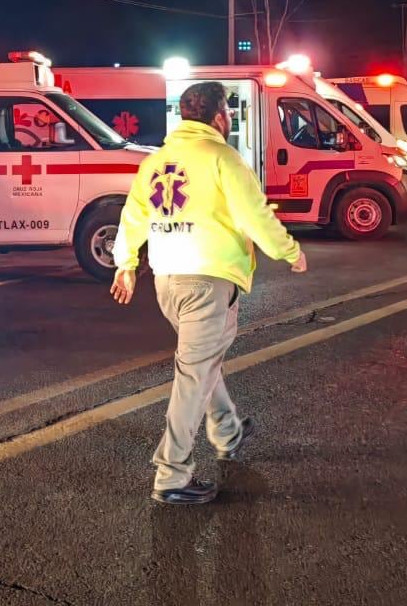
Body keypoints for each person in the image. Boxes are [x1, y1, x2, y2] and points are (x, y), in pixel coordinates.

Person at [111, 81, 307, 506]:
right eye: (228, 112)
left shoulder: (157, 160)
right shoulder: (223, 157)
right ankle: (171, 475)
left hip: (168, 279)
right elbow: (254, 215)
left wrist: (126, 264)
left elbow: (133, 216)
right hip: (208, 279)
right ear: (221, 116)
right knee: (194, 375)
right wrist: (289, 251)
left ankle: (227, 430)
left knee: (204, 360)